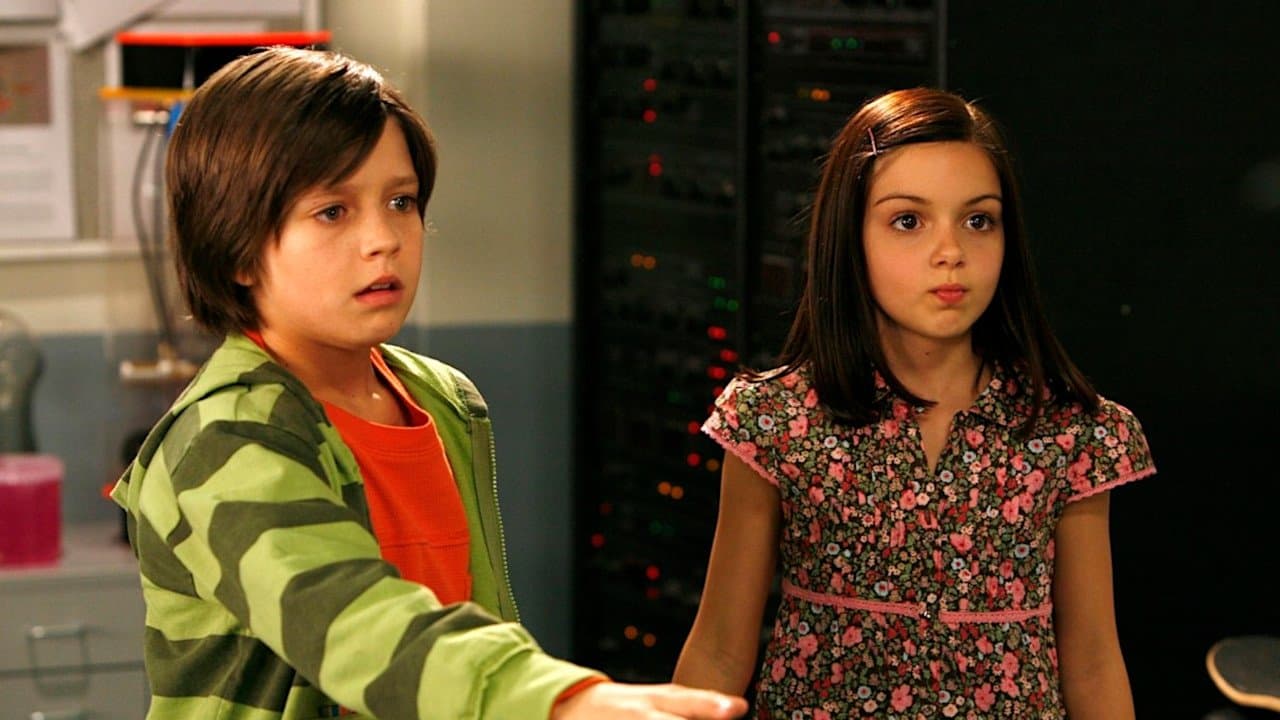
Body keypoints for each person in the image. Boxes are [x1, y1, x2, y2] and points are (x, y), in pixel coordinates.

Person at [110, 46, 747, 720]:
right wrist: (557, 701)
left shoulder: (443, 397)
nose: (384, 239)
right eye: (333, 211)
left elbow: (471, 617)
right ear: (235, 247)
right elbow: (353, 622)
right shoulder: (225, 436)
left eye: (401, 201)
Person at [672, 87, 1156, 719]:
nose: (950, 252)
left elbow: (1092, 661)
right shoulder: (776, 421)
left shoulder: (1069, 431)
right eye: (908, 221)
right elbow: (717, 653)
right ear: (851, 234)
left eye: (978, 221)